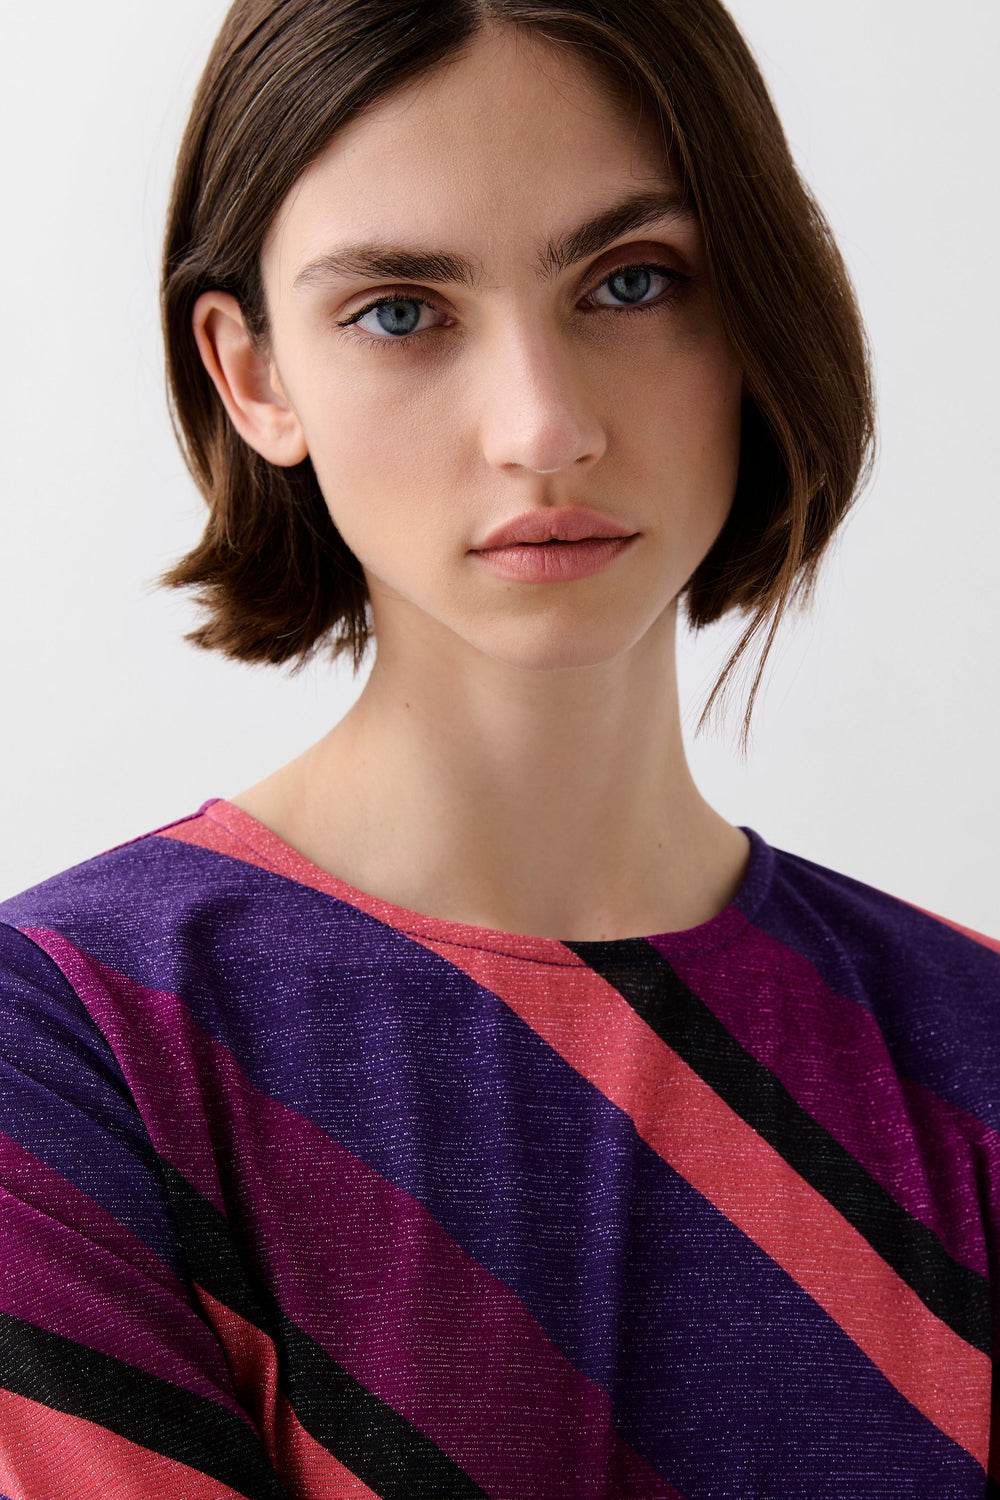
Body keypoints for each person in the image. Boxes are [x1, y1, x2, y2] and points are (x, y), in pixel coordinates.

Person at [0, 0, 996, 1495]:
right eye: (401, 311)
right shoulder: (71, 1046)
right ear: (252, 375)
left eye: (634, 282)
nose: (543, 427)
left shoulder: (975, 1048)